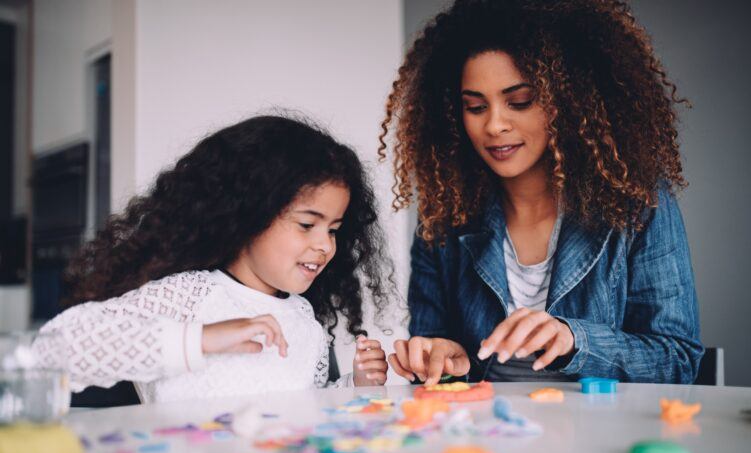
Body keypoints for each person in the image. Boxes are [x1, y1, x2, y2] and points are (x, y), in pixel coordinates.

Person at [379, 0, 703, 385]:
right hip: (485, 435)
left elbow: (677, 360)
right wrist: (441, 359)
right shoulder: (444, 220)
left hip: (598, 432)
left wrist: (573, 340)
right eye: (475, 107)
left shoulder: (637, 202)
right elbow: (433, 358)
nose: (495, 125)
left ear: (567, 102)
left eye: (520, 102)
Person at [33, 115, 391, 402]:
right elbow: (53, 350)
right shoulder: (187, 297)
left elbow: (304, 408)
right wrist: (201, 339)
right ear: (250, 214)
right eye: (307, 224)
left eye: (333, 229)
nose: (326, 246)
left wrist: (355, 386)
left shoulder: (303, 320)